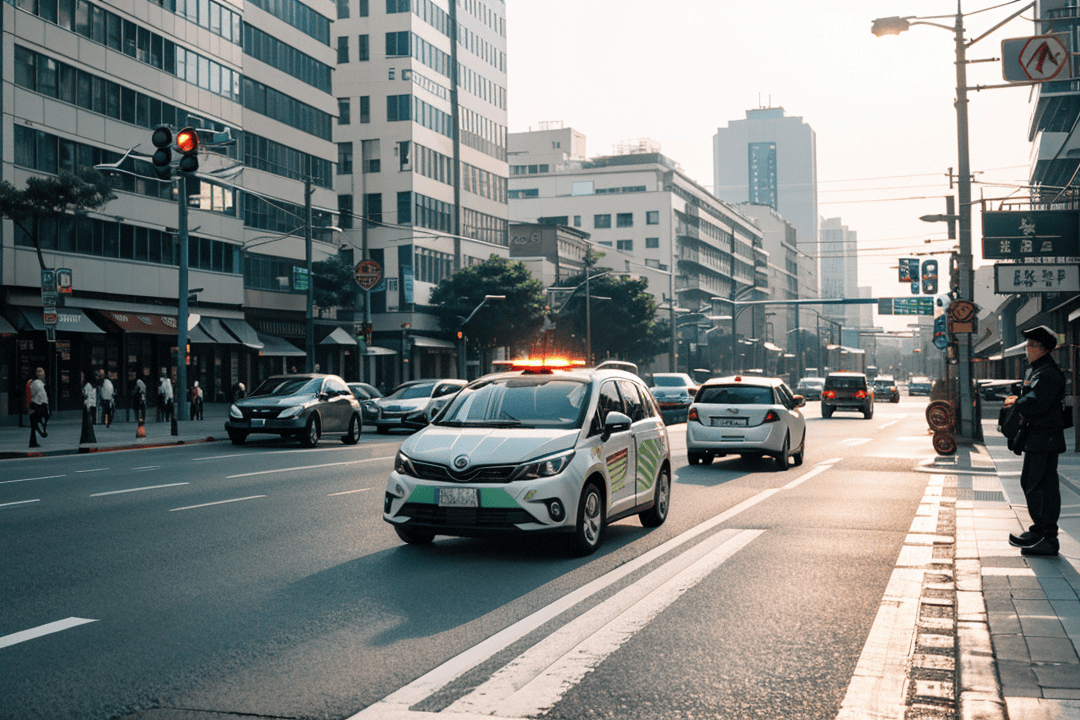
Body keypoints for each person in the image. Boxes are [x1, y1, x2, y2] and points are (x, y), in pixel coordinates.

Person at [1007, 325, 1067, 557]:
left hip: (1045, 438)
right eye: (1028, 345)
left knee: (1039, 485)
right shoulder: (1039, 370)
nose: (1028, 349)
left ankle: (1046, 537)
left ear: (1043, 349)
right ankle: (1039, 531)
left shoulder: (1048, 373)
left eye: (1032, 345)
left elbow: (1036, 402)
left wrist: (1016, 403)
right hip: (1040, 437)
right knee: (1034, 483)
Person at [28, 367, 49, 446]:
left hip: (38, 404)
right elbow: (36, 394)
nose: (40, 374)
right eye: (38, 372)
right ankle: (41, 431)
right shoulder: (37, 383)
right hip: (37, 404)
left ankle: (33, 442)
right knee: (39, 418)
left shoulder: (40, 382)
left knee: (35, 422)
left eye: (41, 372)